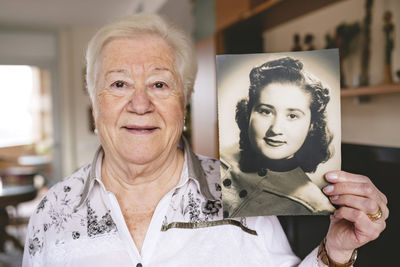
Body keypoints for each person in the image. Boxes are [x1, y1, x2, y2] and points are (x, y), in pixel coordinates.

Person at [23, 14, 388, 267]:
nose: (140, 103)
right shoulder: (52, 212)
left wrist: (336, 251)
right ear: (93, 101)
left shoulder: (243, 190)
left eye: (160, 84)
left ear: (184, 103)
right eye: (119, 84)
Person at [221, 56, 336, 217]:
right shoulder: (214, 160)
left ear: (312, 125)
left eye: (292, 116)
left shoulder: (316, 207)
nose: (275, 129)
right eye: (265, 111)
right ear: (248, 113)